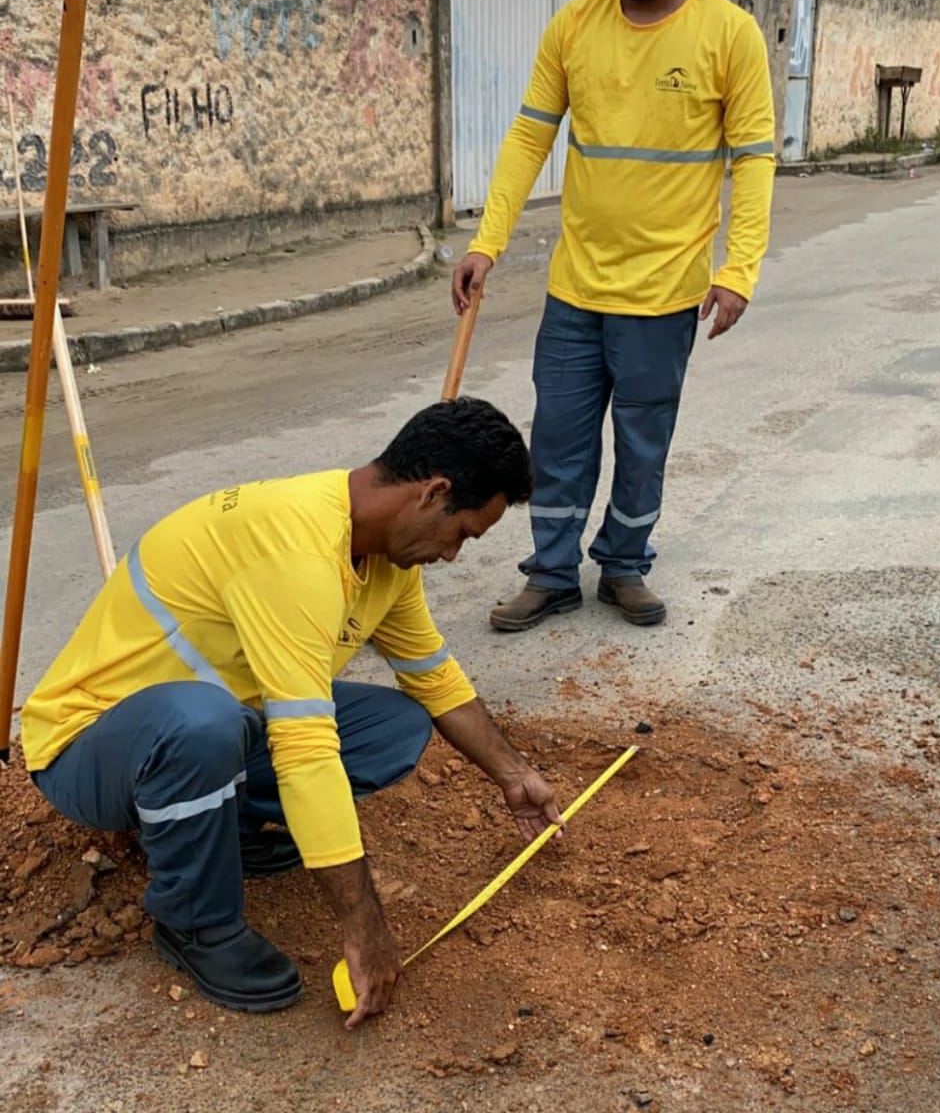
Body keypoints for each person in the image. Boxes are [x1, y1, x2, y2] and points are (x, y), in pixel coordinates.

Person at [20, 398, 561, 1028]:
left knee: (394, 726)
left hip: (202, 729)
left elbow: (434, 678)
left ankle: (223, 829)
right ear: (433, 492)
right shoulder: (295, 552)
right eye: (462, 533)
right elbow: (305, 750)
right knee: (204, 724)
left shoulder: (382, 558)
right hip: (88, 745)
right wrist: (364, 926)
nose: (452, 557)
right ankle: (194, 921)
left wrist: (512, 772)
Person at [452, 0, 775, 632]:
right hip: (574, 291)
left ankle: (623, 567)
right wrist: (486, 241)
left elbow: (753, 160)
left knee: (641, 446)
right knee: (557, 442)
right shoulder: (574, 28)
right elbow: (529, 140)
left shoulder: (728, 36)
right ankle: (552, 573)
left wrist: (738, 271)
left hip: (664, 296)